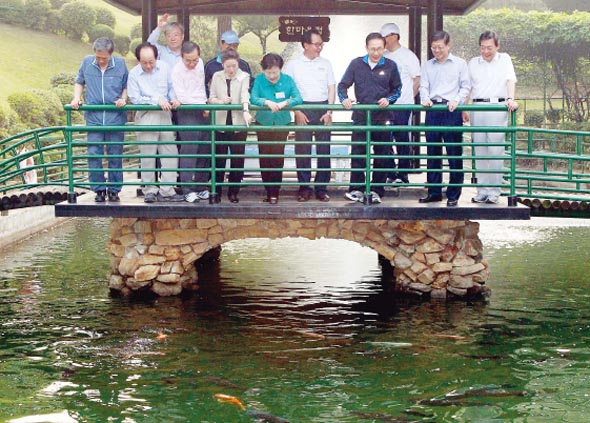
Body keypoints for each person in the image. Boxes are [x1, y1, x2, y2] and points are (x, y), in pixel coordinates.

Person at [337, 32, 402, 204]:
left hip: (383, 117)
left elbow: (397, 89)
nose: (375, 52)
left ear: (384, 47)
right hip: (360, 116)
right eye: (372, 49)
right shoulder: (356, 64)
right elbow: (342, 85)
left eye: (379, 48)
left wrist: (389, 99)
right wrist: (345, 99)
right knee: (358, 153)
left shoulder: (391, 65)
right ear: (366, 48)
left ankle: (376, 190)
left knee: (381, 155)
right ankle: (356, 189)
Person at [70, 37, 128, 203]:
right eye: (98, 57)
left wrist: (123, 98)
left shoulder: (121, 64)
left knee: (115, 154)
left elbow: (126, 86)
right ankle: (99, 189)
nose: (101, 60)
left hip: (115, 117)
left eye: (104, 58)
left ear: (111, 54)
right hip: (94, 117)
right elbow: (79, 81)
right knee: (93, 153)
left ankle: (115, 190)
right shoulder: (87, 62)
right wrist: (76, 98)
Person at [466, 31, 518, 205]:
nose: (486, 51)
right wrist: (465, 108)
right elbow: (469, 87)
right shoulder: (473, 62)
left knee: (495, 150)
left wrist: (511, 98)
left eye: (489, 47)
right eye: (482, 47)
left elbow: (511, 80)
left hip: (497, 106)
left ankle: (494, 191)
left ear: (497, 46)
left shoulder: (505, 59)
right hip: (477, 106)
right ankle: (481, 191)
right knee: (479, 149)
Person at [419, 30, 470, 207]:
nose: (437, 51)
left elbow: (465, 86)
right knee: (432, 152)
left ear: (448, 46)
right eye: (434, 48)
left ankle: (453, 194)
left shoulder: (460, 64)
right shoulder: (427, 65)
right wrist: (424, 98)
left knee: (454, 153)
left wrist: (457, 100)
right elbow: (423, 86)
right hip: (433, 108)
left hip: (451, 109)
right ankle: (434, 191)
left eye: (440, 47)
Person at [127, 42, 183, 203]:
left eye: (151, 61)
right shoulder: (134, 74)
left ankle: (168, 189)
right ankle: (150, 189)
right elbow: (135, 98)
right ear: (139, 61)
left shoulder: (164, 68)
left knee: (170, 152)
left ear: (156, 58)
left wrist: (173, 98)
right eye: (144, 62)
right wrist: (156, 99)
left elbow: (171, 87)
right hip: (146, 114)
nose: (149, 65)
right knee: (148, 153)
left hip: (165, 114)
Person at [284, 29, 336, 202]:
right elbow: (288, 90)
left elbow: (331, 87)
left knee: (324, 149)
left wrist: (329, 112)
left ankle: (321, 188)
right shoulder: (293, 64)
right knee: (303, 150)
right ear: (306, 45)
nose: (320, 47)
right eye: (316, 44)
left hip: (322, 106)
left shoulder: (326, 63)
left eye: (321, 44)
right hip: (302, 107)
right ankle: (304, 187)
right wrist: (296, 111)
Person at [251, 53, 302, 204]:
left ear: (280, 69)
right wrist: (266, 102)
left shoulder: (287, 80)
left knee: (277, 157)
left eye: (275, 72)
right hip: (263, 122)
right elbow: (253, 98)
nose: (272, 76)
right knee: (265, 157)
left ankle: (275, 192)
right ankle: (268, 189)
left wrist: (285, 103)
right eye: (268, 72)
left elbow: (298, 98)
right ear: (263, 71)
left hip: (281, 123)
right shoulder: (259, 80)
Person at [208, 49, 253, 203]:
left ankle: (234, 191)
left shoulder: (244, 76)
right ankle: (217, 191)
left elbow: (244, 95)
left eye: (234, 66)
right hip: (221, 123)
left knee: (237, 159)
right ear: (223, 65)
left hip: (238, 123)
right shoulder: (216, 76)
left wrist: (246, 109)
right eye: (228, 66)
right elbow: (211, 98)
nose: (231, 69)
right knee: (219, 159)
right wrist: (221, 101)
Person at [380, 22, 421, 186]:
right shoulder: (383, 56)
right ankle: (390, 172)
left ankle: (403, 174)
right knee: (385, 138)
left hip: (403, 105)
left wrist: (409, 97)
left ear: (394, 36)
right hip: (386, 106)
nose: (383, 41)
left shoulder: (408, 56)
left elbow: (417, 79)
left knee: (402, 139)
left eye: (385, 37)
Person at [171, 41, 211, 203]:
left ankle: (201, 186)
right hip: (187, 110)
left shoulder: (200, 64)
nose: (192, 63)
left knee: (204, 147)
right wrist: (201, 103)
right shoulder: (176, 71)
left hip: (203, 109)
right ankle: (186, 188)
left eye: (195, 59)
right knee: (189, 149)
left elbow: (201, 86)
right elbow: (182, 96)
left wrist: (206, 103)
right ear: (182, 57)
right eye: (188, 60)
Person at [204, 30, 252, 96]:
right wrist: (210, 98)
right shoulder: (210, 65)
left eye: (235, 45)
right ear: (222, 43)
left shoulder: (243, 65)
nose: (231, 48)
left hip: (238, 103)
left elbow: (249, 84)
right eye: (229, 45)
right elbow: (203, 84)